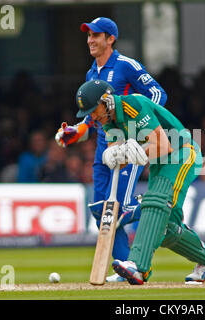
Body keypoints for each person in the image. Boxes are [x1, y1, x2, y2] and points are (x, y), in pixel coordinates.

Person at [73, 79, 205, 285]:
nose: (93, 116)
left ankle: (137, 266)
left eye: (94, 110)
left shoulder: (132, 105)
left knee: (155, 201)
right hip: (159, 163)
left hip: (182, 153)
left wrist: (134, 152)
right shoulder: (108, 122)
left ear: (106, 100)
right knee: (166, 226)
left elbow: (163, 145)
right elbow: (119, 155)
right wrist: (114, 156)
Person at [55, 17, 167, 282]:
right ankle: (126, 267)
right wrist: (76, 131)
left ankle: (157, 210)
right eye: (88, 36)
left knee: (120, 208)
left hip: (129, 147)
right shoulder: (92, 73)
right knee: (101, 212)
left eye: (96, 35)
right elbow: (92, 118)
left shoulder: (126, 66)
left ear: (110, 38)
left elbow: (157, 95)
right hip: (104, 150)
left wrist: (139, 132)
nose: (90, 41)